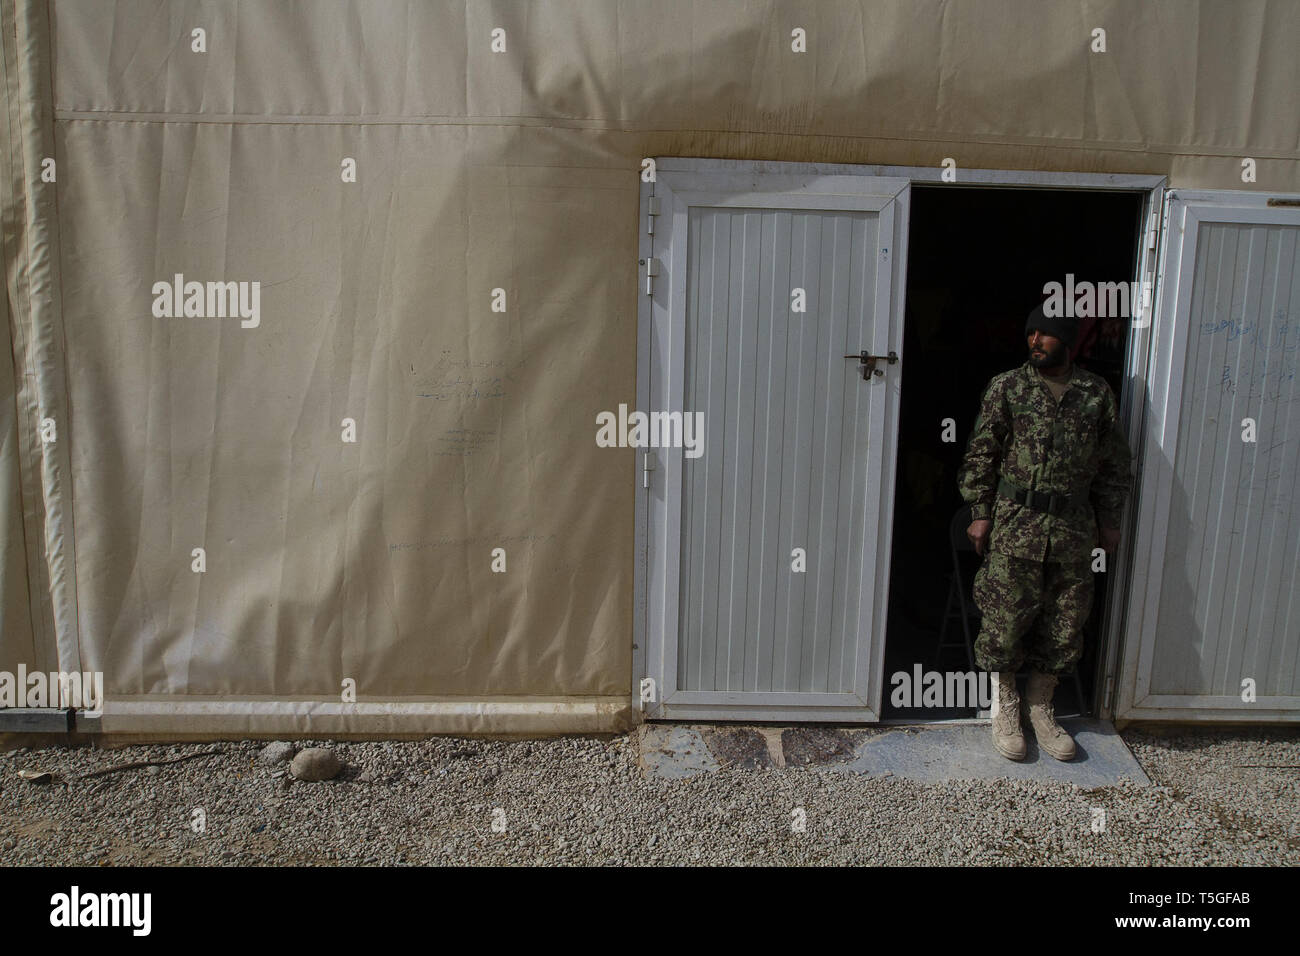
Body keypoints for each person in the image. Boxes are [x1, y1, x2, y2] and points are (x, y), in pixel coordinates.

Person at [957, 302, 1132, 761]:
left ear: (1068, 342)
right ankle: (1006, 707)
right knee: (1006, 619)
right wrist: (980, 510)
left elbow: (1114, 464)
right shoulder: (1009, 387)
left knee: (1065, 622)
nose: (1035, 341)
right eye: (1031, 333)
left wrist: (1110, 521)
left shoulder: (1095, 394)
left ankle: (1041, 707)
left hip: (1073, 529)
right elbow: (981, 453)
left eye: (1046, 334)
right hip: (1017, 523)